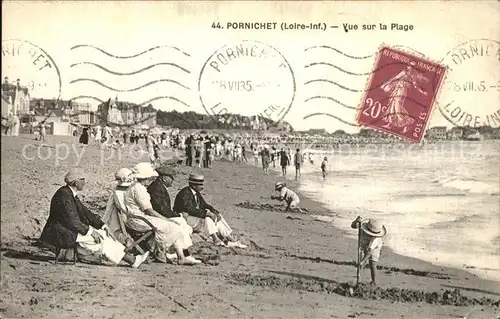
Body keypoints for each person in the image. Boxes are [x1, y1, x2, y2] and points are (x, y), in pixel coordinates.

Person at [39, 168, 149, 268]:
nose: (84, 182)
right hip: (60, 233)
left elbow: (85, 212)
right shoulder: (64, 195)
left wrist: (102, 225)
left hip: (67, 230)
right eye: (82, 179)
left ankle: (131, 258)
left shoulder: (68, 193)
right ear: (75, 182)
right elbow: (73, 221)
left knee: (102, 234)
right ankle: (131, 260)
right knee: (100, 240)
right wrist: (91, 231)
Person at [122, 163, 199, 265]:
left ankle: (179, 255)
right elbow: (149, 210)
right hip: (138, 220)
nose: (151, 179)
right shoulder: (139, 189)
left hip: (138, 218)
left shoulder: (135, 187)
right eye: (150, 177)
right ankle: (166, 253)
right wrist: (165, 219)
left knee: (174, 226)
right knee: (172, 226)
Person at [173, 173, 247, 248]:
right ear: (194, 185)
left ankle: (230, 238)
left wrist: (214, 211)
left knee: (216, 216)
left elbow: (204, 205)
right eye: (200, 185)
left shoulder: (196, 192)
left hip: (192, 218)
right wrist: (207, 213)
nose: (202, 187)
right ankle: (216, 239)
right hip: (184, 218)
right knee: (207, 217)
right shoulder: (185, 193)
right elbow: (189, 209)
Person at [147, 166, 201, 264]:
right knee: (181, 223)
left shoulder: (159, 186)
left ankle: (177, 252)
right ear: (164, 178)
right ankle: (184, 253)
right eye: (171, 178)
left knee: (183, 224)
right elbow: (161, 209)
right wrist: (178, 215)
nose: (173, 180)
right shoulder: (156, 188)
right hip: (157, 217)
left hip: (159, 215)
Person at [350, 217, 387, 286]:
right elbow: (353, 226)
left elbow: (369, 251)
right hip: (363, 243)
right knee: (360, 259)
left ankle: (374, 281)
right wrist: (356, 221)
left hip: (374, 248)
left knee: (372, 262)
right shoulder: (363, 227)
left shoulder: (376, 239)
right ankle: (359, 278)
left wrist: (363, 261)